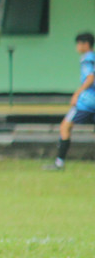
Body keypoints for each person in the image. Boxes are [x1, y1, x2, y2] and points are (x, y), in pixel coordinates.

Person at [44, 32, 95, 171]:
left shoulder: (87, 59)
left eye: (78, 44)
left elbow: (90, 78)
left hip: (86, 102)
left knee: (65, 126)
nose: (77, 47)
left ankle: (59, 163)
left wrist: (77, 93)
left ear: (85, 44)